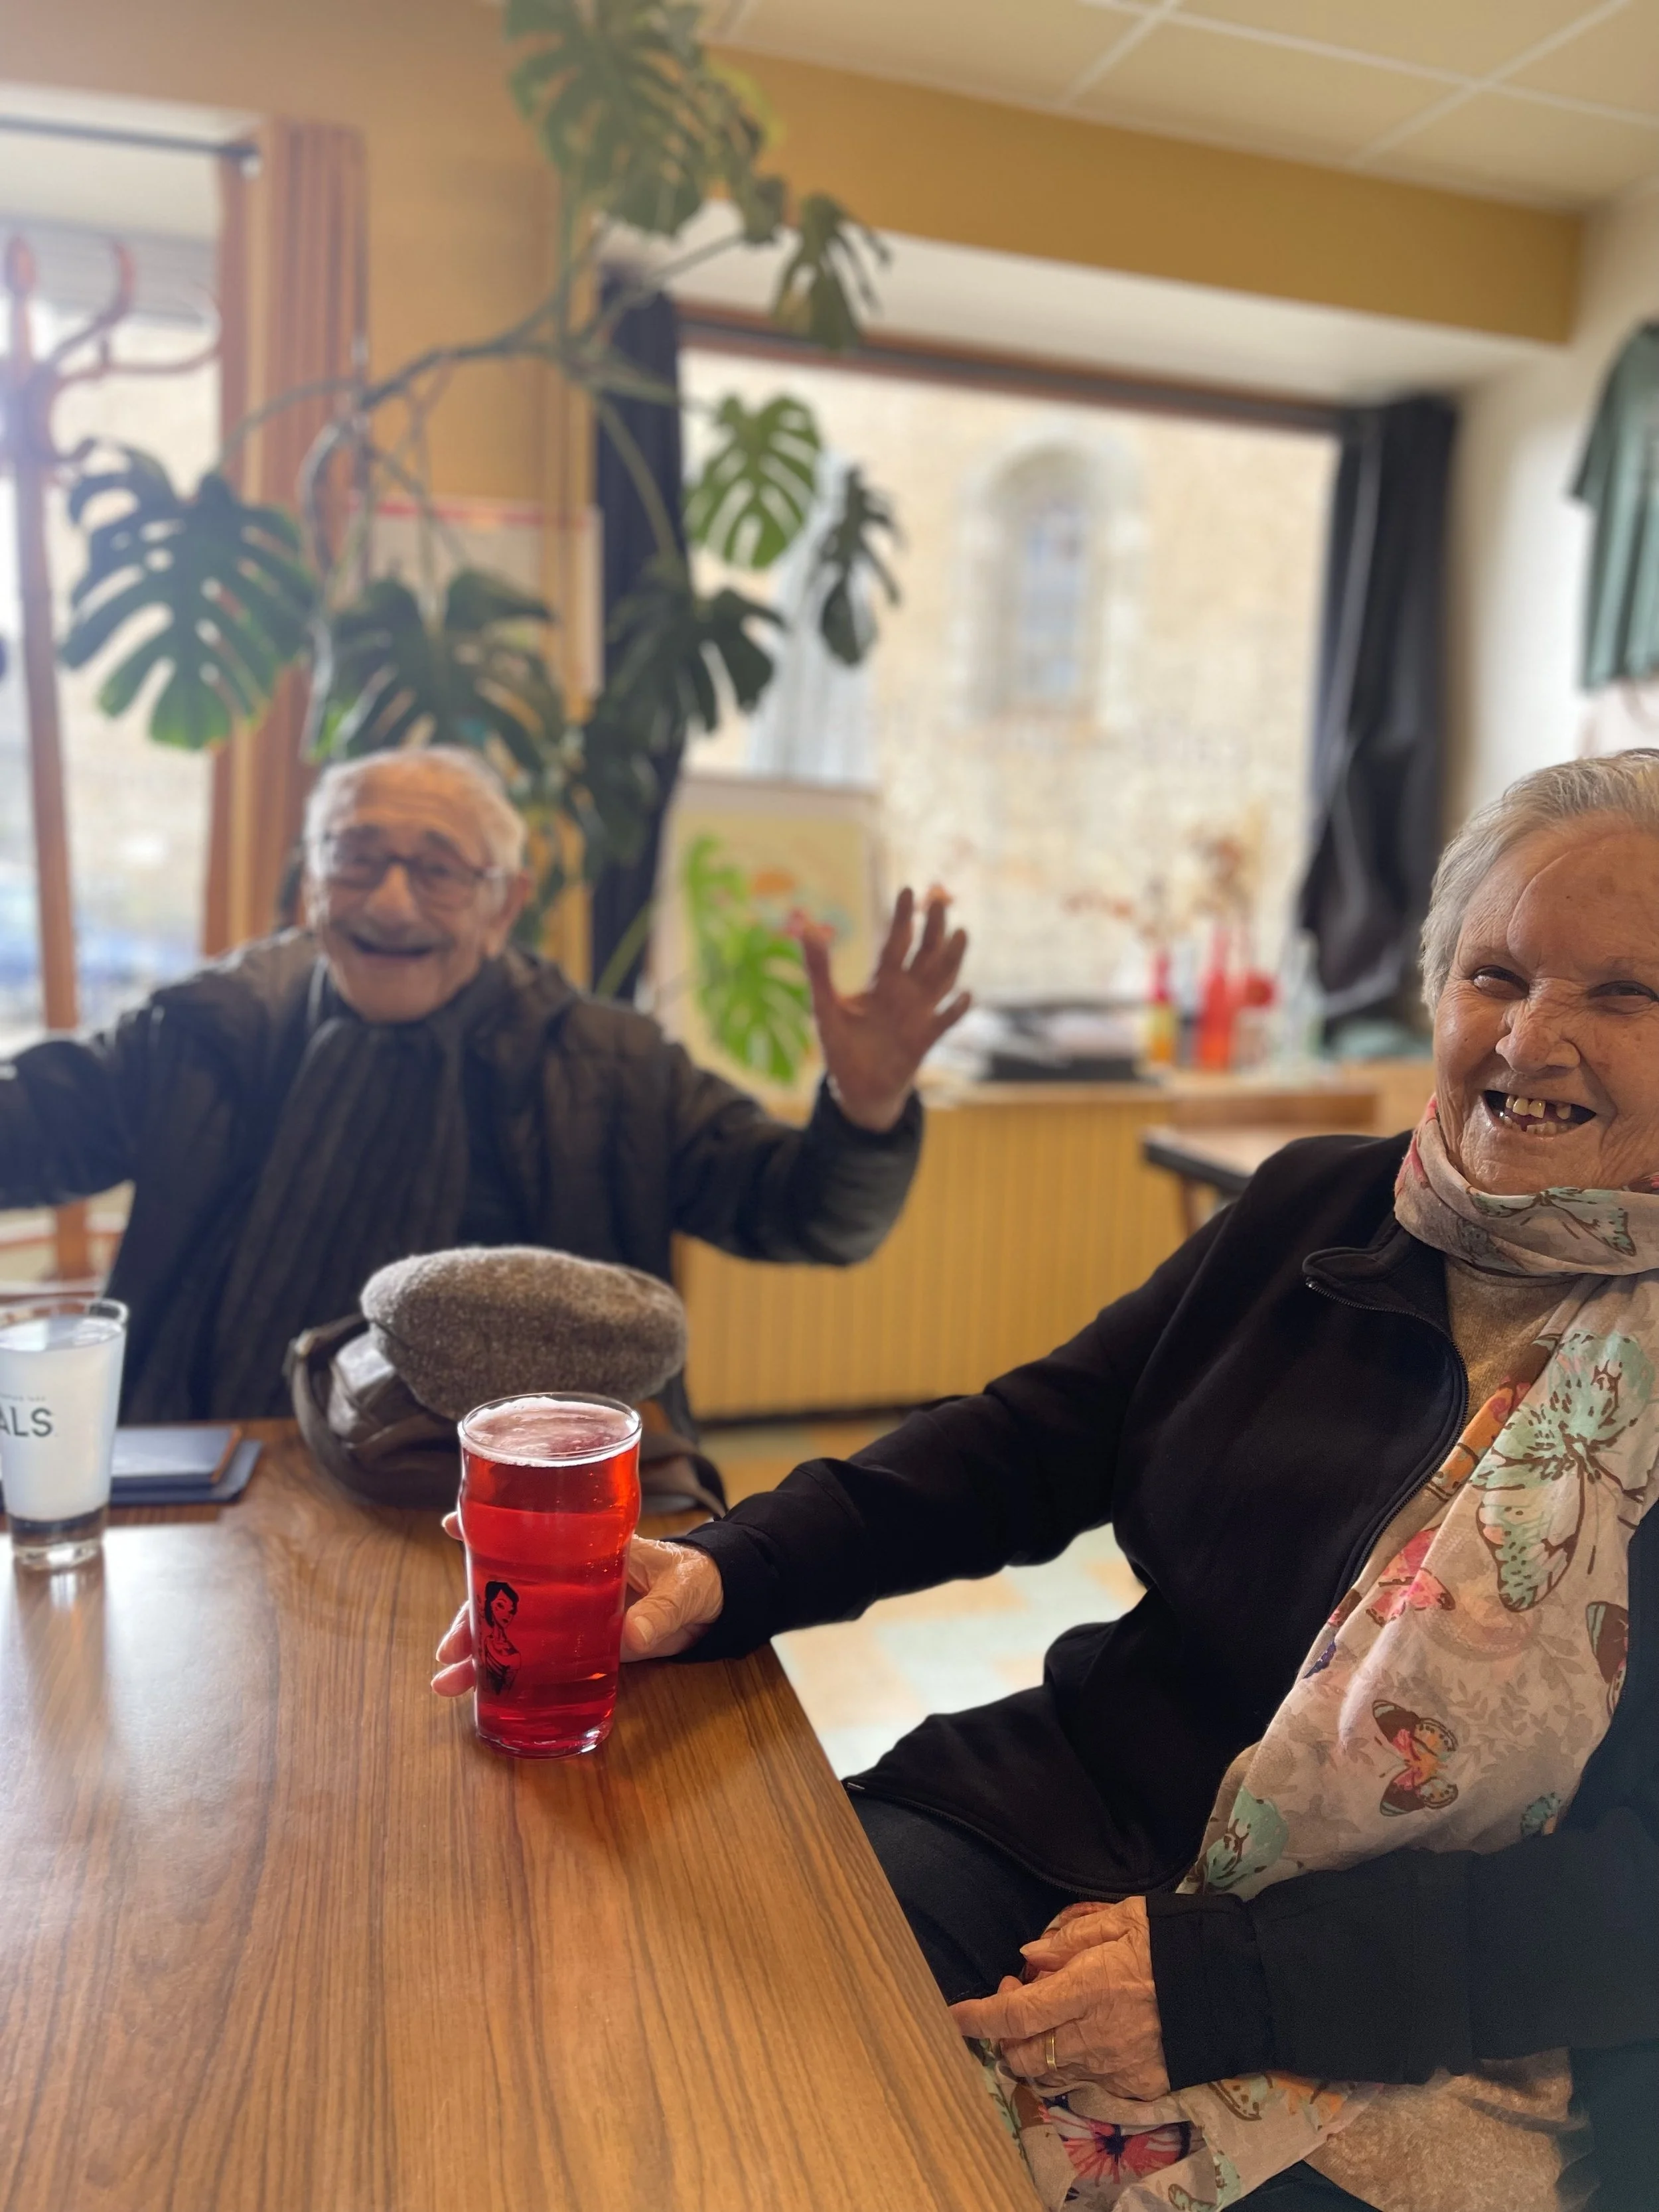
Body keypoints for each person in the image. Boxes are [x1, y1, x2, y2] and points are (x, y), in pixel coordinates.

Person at [437, 749, 1659, 2210]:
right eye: (1492, 973)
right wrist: (725, 1566)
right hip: (1061, 1816)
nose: (1526, 1038)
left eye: (1621, 993)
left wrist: (1222, 1980)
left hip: (1430, 2013)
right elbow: (1031, 1439)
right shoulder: (1319, 1210)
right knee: (676, 2065)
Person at [0, 747, 969, 1434]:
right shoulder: (208, 1032)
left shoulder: (610, 1068)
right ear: (312, 881)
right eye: (357, 856)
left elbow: (808, 1216)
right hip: (209, 1463)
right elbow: (32, 1130)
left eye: (437, 871)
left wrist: (866, 1106)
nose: (390, 899)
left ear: (505, 903)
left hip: (497, 1509)